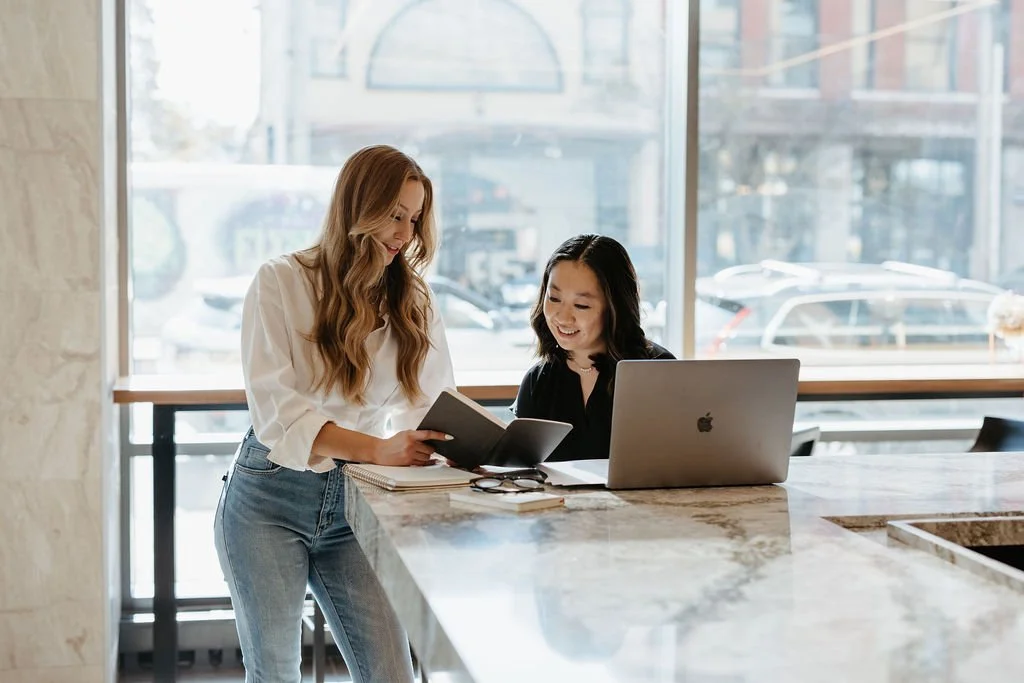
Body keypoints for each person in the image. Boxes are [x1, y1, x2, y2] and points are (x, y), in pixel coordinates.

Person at [214, 145, 455, 683]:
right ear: (358, 206)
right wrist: (380, 449)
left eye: (414, 219)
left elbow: (434, 403)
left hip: (355, 502)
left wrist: (473, 449)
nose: (406, 233)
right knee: (276, 674)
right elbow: (278, 414)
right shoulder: (280, 282)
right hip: (269, 500)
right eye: (395, 215)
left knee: (391, 673)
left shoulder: (413, 300)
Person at [513, 234, 674, 461]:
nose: (562, 317)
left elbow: (681, 462)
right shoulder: (538, 382)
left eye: (581, 305)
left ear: (615, 307)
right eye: (554, 298)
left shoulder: (658, 370)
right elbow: (523, 467)